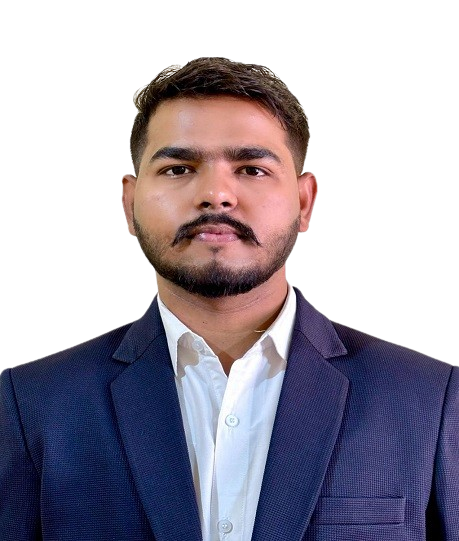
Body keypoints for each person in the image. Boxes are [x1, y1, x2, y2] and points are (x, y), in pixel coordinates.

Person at [0, 57, 457, 541]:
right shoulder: (31, 402)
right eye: (178, 168)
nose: (216, 195)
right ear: (129, 205)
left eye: (252, 169)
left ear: (305, 202)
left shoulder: (431, 397)